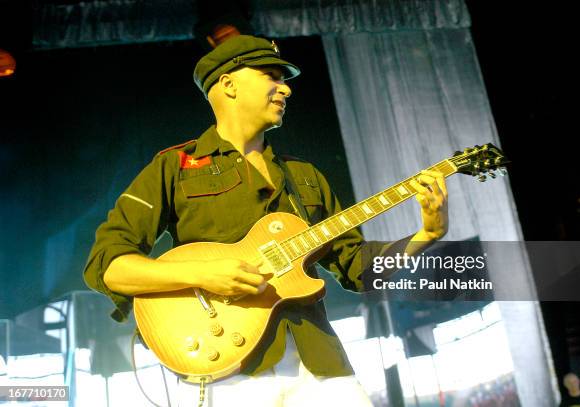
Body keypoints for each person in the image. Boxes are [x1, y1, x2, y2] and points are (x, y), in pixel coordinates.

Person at [83, 34, 449, 406]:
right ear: (228, 84)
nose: (285, 89)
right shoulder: (173, 167)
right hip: (228, 370)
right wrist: (201, 275)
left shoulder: (305, 176)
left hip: (320, 365)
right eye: (271, 76)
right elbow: (110, 268)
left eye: (284, 80)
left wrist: (427, 234)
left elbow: (357, 269)